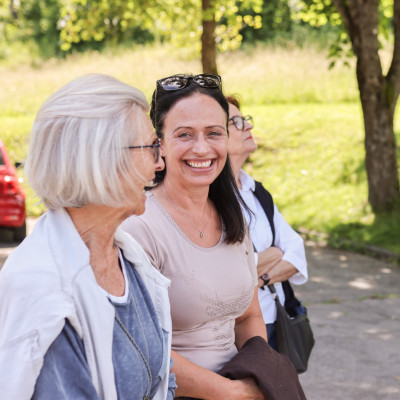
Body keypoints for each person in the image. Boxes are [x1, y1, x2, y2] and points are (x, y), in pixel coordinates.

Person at [0, 74, 176, 400]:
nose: (160, 162)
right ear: (101, 159)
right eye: (151, 147)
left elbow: (163, 379)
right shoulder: (41, 286)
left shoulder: (129, 259)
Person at [121, 74, 267, 400]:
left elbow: (249, 316)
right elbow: (141, 348)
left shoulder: (235, 218)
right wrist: (233, 393)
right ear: (159, 143)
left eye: (214, 133)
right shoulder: (138, 227)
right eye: (184, 134)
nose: (201, 148)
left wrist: (260, 372)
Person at [226, 94, 308, 350]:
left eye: (245, 120)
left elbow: (295, 251)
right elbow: (224, 271)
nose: (248, 126)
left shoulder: (256, 191)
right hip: (236, 330)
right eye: (237, 122)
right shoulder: (207, 198)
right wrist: (272, 256)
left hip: (277, 317)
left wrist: (258, 277)